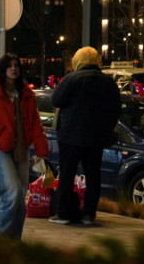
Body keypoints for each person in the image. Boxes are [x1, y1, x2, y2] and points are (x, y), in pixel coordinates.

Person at [0, 53, 49, 239]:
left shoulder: (27, 95)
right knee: (11, 192)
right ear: (3, 69)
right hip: (1, 148)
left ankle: (14, 242)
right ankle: (2, 241)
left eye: (16, 65)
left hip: (21, 149)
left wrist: (42, 150)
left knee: (20, 197)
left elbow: (35, 123)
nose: (14, 68)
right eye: (10, 65)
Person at [49, 46, 121, 226]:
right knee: (93, 175)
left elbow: (56, 100)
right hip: (96, 137)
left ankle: (64, 214)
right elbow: (116, 108)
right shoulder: (108, 82)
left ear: (77, 61)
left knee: (67, 174)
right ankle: (89, 214)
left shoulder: (71, 79)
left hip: (71, 136)